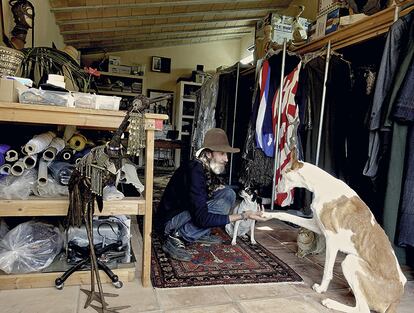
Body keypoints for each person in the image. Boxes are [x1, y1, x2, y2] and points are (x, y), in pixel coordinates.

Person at [154, 128, 264, 261]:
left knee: (229, 193)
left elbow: (206, 197)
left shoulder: (205, 166)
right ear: (208, 154)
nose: (227, 159)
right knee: (221, 204)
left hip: (186, 211)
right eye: (222, 153)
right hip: (169, 222)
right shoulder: (195, 171)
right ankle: (177, 236)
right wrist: (243, 215)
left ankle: (197, 232)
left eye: (226, 154)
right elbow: (202, 217)